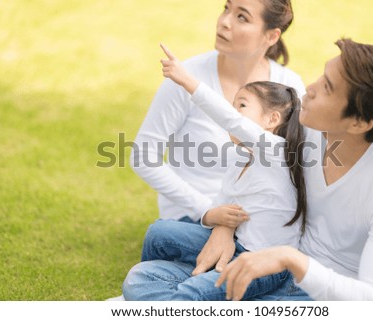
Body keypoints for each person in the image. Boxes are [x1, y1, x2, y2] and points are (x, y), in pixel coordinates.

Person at [209, 38, 373, 300]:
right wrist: (224, 225)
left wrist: (292, 259)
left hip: (346, 253)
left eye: (327, 88)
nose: (309, 89)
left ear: (358, 123)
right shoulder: (299, 122)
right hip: (332, 241)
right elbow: (247, 171)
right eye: (322, 77)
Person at [122, 41, 309, 300]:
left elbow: (227, 119)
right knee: (158, 234)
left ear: (271, 120)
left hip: (265, 264)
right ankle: (196, 285)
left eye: (241, 105)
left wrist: (188, 81)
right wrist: (213, 217)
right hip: (236, 247)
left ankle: (191, 292)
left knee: (189, 292)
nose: (233, 112)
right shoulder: (239, 155)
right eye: (232, 105)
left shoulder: (277, 150)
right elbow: (222, 204)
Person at [130, 0, 305, 226]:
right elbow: (143, 156)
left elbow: (298, 165)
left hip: (254, 219)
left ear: (271, 36)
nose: (224, 22)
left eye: (242, 17)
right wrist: (207, 210)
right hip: (191, 216)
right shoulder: (186, 77)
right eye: (226, 9)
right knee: (163, 236)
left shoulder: (289, 86)